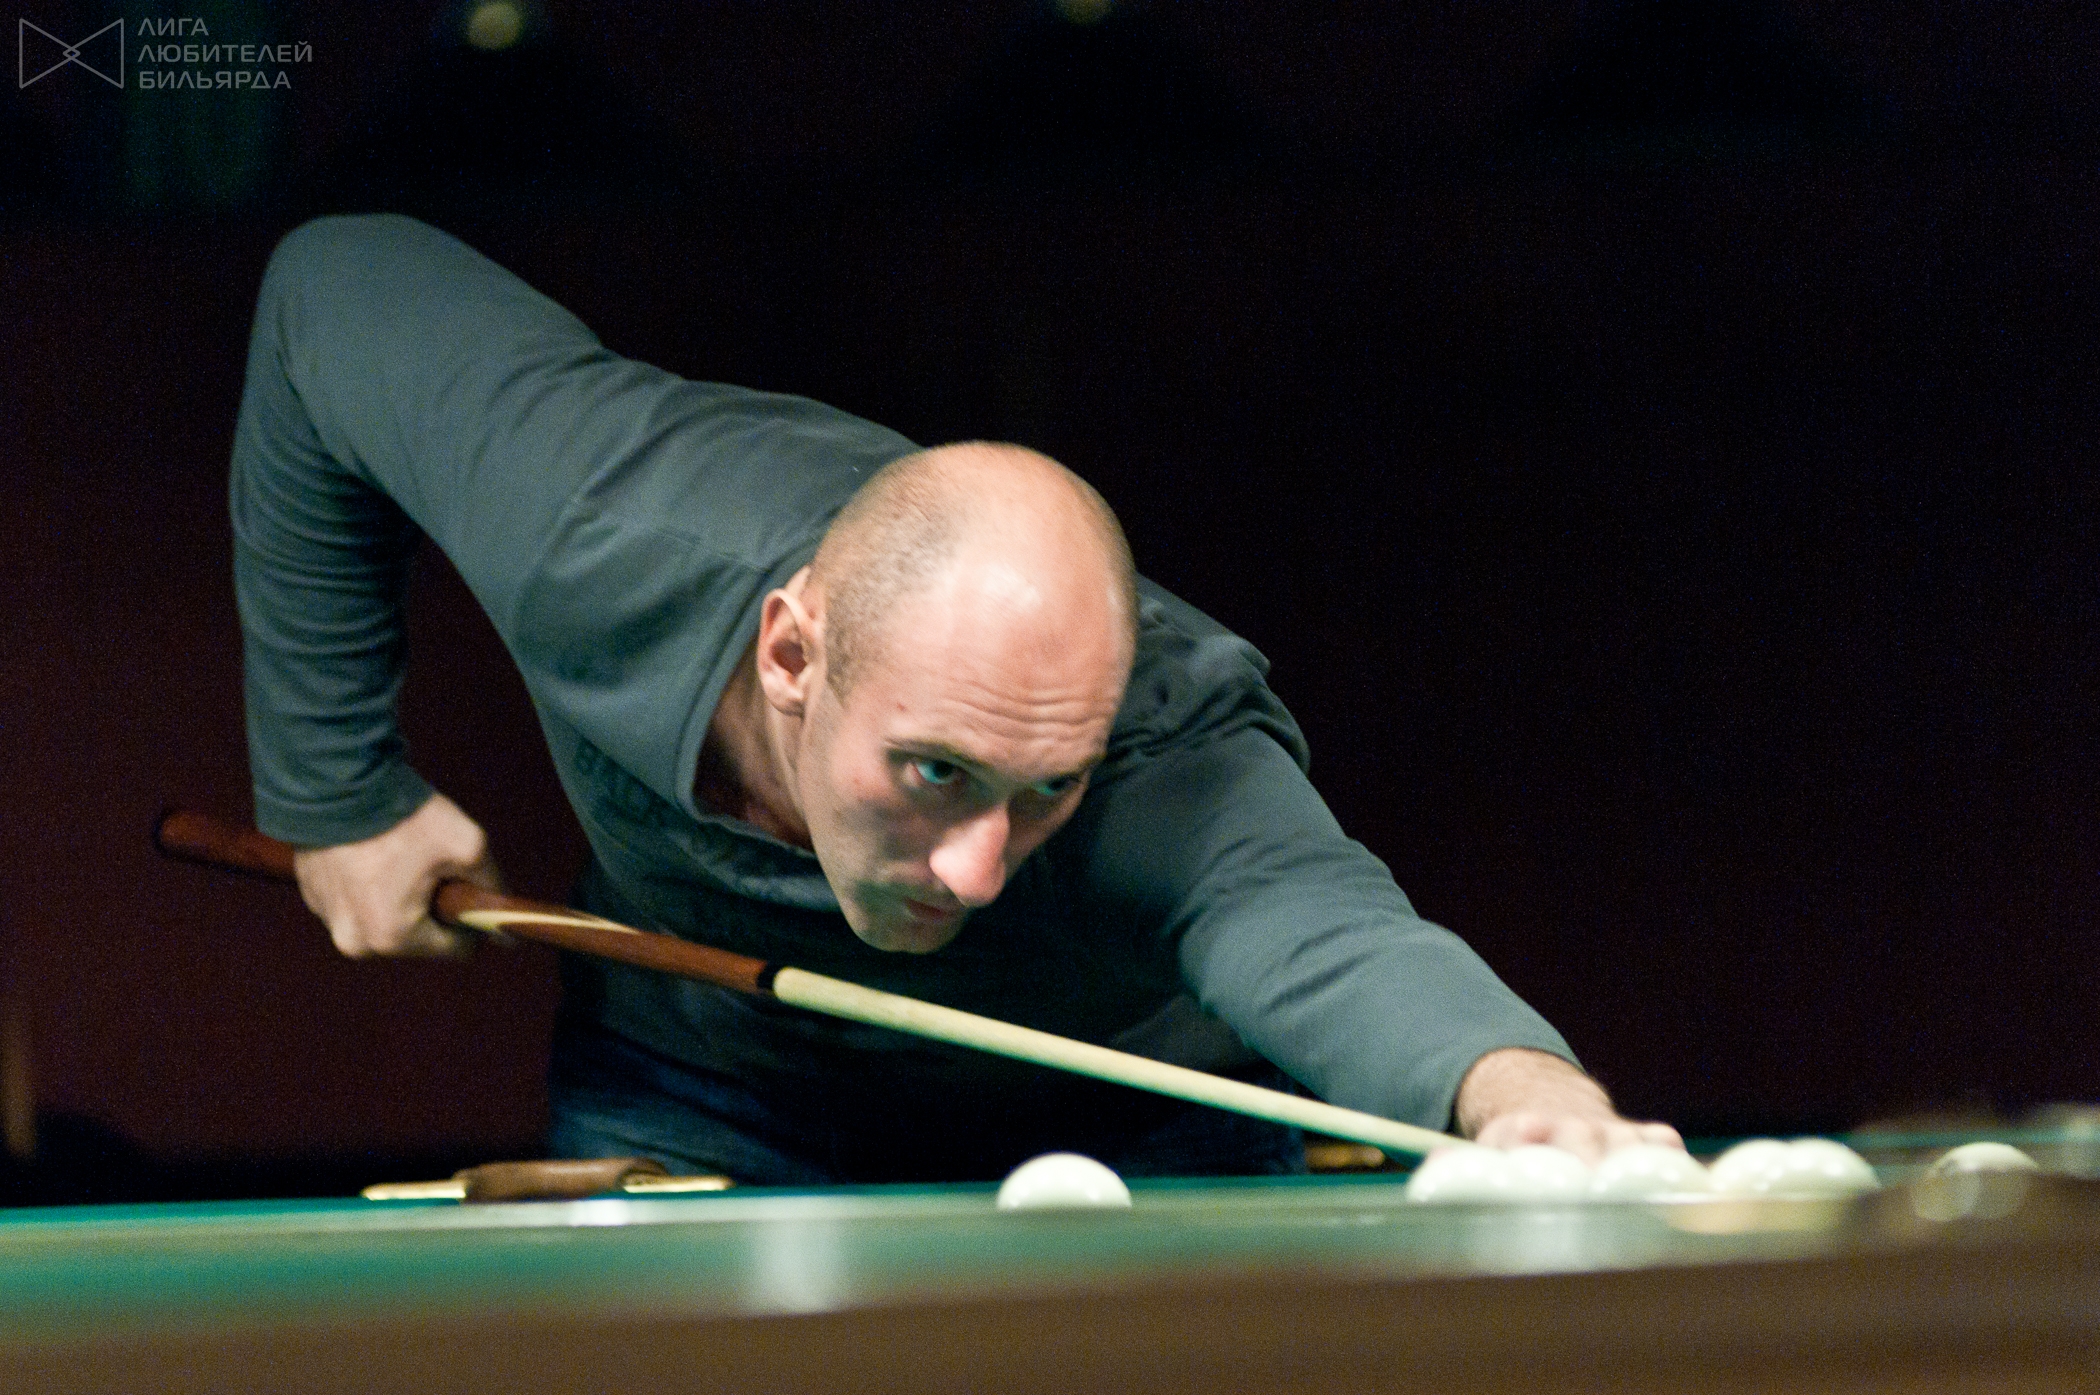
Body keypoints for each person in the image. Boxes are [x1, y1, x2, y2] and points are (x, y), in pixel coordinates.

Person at [233, 214, 1680, 1183]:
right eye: (935, 773)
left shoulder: (1169, 743)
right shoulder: (599, 527)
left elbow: (1328, 932)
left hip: (1127, 1123)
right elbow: (331, 290)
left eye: (1046, 791)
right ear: (792, 657)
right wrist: (336, 789)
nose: (980, 869)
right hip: (701, 1092)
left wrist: (1526, 1098)